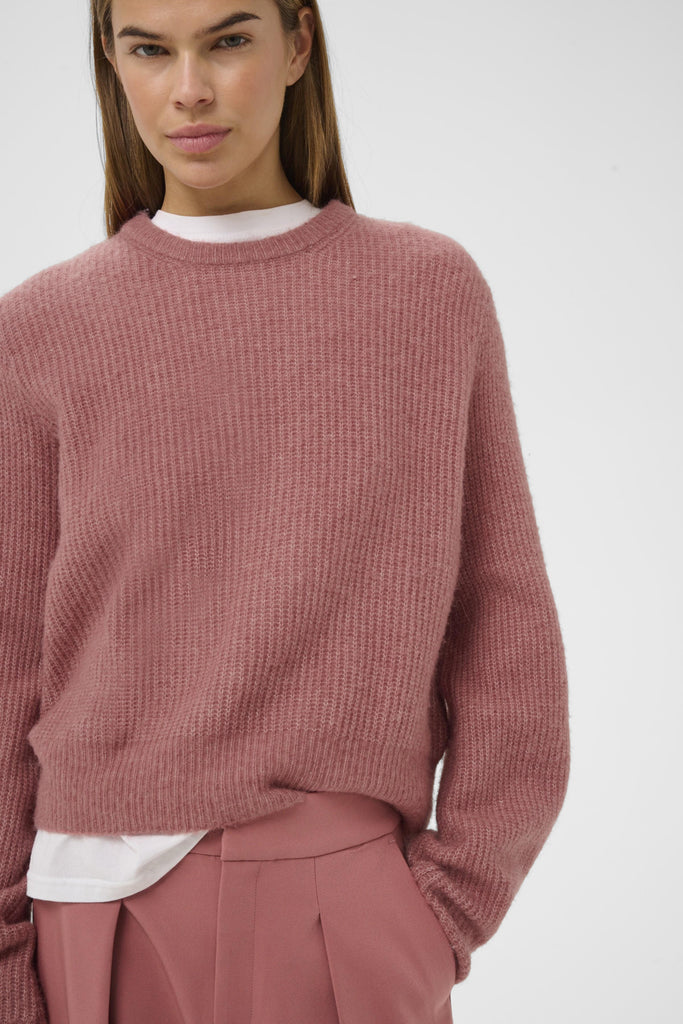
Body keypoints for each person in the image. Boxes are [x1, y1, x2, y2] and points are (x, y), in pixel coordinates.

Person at [0, 0, 571, 1021]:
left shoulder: (424, 295)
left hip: (340, 905)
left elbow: (503, 625)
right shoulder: (40, 328)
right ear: (111, 61)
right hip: (83, 915)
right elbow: (8, 663)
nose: (189, 90)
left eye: (227, 41)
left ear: (298, 42)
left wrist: (439, 914)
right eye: (149, 49)